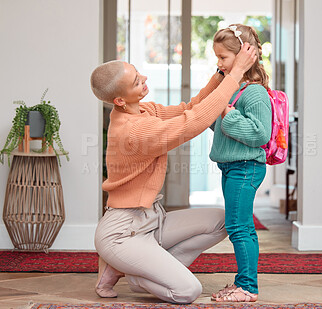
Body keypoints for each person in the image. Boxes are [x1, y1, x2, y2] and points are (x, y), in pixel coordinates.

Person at [89, 42, 257, 304]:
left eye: (138, 73)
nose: (144, 79)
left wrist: (221, 74)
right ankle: (134, 273)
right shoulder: (134, 132)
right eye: (136, 81)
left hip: (152, 222)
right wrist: (236, 75)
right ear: (119, 100)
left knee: (223, 221)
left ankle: (134, 267)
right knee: (187, 291)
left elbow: (188, 109)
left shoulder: (143, 110)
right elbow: (193, 122)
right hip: (123, 233)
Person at [209, 24, 272, 302]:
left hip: (246, 167)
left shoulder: (255, 93)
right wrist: (218, 112)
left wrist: (229, 116)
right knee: (239, 224)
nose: (219, 63)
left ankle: (247, 287)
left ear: (244, 56)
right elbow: (220, 126)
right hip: (232, 166)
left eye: (223, 57)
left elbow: (261, 134)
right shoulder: (234, 89)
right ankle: (242, 282)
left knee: (239, 226)